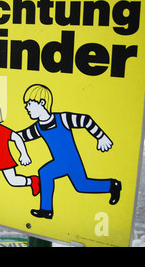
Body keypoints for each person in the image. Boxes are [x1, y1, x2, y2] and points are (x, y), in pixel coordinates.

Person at [18, 84, 121, 219]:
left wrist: (100, 136)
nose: (27, 107)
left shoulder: (63, 119)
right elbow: (21, 136)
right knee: (80, 184)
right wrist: (1, 134)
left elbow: (85, 120)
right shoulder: (38, 127)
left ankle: (46, 209)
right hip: (60, 161)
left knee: (51, 175)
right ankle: (111, 185)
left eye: (30, 104)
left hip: (71, 161)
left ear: (42, 103)